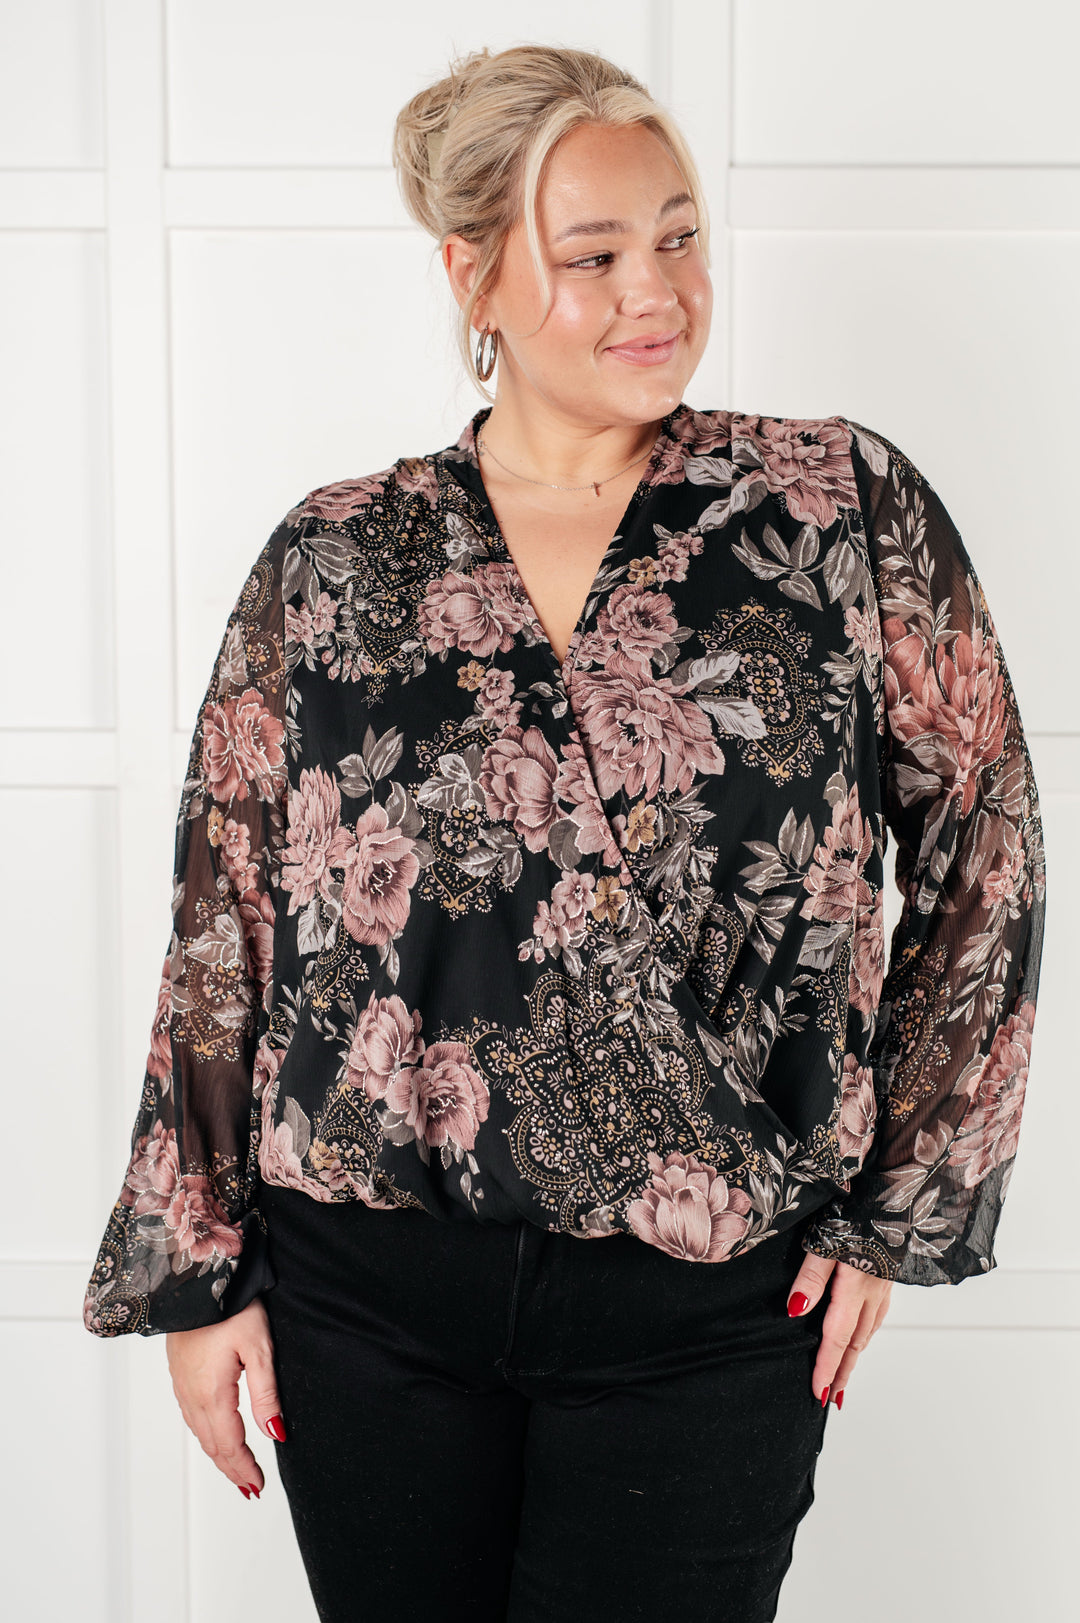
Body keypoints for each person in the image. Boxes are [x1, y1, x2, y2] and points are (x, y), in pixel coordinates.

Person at [82, 43, 1045, 1623]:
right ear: (472, 273)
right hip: (363, 1292)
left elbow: (984, 849)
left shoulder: (837, 511)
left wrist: (905, 1207)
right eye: (591, 255)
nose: (654, 291)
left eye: (678, 235)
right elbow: (224, 916)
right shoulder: (336, 556)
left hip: (711, 1302)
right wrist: (196, 1267)